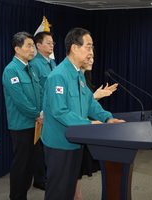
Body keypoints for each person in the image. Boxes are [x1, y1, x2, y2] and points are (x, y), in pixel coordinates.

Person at [41, 27, 125, 200]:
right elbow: (59, 111)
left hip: (76, 142)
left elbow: (89, 104)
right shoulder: (59, 76)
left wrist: (107, 118)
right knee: (57, 191)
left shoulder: (78, 74)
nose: (91, 52)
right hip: (59, 145)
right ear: (74, 48)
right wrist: (89, 125)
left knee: (69, 189)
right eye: (88, 46)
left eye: (92, 47)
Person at [2, 31, 43, 200]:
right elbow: (20, 100)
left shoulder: (31, 68)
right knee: (20, 166)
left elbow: (40, 93)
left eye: (33, 46)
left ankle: (23, 196)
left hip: (35, 124)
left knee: (30, 165)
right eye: (28, 46)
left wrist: (42, 113)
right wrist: (36, 114)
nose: (32, 49)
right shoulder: (11, 71)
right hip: (21, 126)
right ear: (17, 49)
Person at [74, 56, 118, 200]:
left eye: (93, 55)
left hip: (81, 129)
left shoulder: (83, 77)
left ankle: (77, 195)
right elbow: (72, 109)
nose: (91, 58)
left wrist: (108, 118)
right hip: (69, 132)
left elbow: (90, 106)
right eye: (88, 52)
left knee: (78, 169)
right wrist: (95, 96)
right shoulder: (65, 77)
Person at [29, 31, 56, 191]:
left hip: (53, 111)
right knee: (39, 148)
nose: (52, 45)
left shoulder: (52, 63)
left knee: (49, 146)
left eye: (53, 43)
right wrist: (40, 112)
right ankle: (39, 179)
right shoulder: (34, 64)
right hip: (42, 113)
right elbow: (36, 91)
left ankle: (47, 175)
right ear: (38, 45)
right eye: (48, 42)